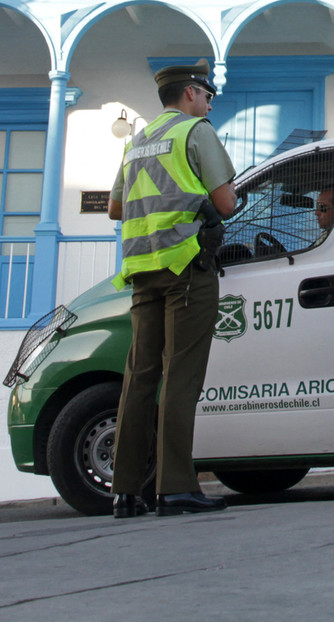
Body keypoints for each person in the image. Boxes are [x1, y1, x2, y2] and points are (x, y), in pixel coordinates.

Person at [106, 59, 237, 518]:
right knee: (181, 376)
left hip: (143, 270)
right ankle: (175, 487)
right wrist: (202, 201)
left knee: (140, 378)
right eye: (207, 96)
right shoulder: (194, 133)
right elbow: (226, 202)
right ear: (190, 94)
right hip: (185, 268)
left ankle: (125, 492)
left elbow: (115, 209)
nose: (209, 105)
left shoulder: (137, 141)